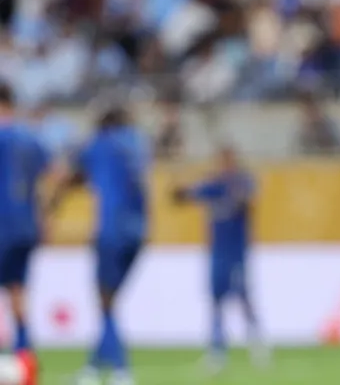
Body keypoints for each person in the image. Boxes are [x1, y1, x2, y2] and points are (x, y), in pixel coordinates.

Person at [45, 105, 149, 385]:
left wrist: (52, 203)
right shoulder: (137, 143)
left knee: (105, 302)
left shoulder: (99, 144)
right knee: (109, 303)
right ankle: (92, 369)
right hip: (139, 232)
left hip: (111, 230)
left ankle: (121, 371)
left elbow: (72, 173)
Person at [172, 145, 269, 371]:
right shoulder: (213, 185)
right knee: (216, 300)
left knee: (243, 297)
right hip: (218, 251)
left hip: (237, 250)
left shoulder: (243, 182)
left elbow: (248, 202)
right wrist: (179, 188)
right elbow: (183, 197)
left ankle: (257, 344)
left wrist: (236, 194)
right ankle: (217, 350)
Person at [0, 84, 50, 360]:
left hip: (3, 224)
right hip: (27, 226)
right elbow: (47, 178)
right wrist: (43, 218)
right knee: (17, 289)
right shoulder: (30, 139)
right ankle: (24, 357)